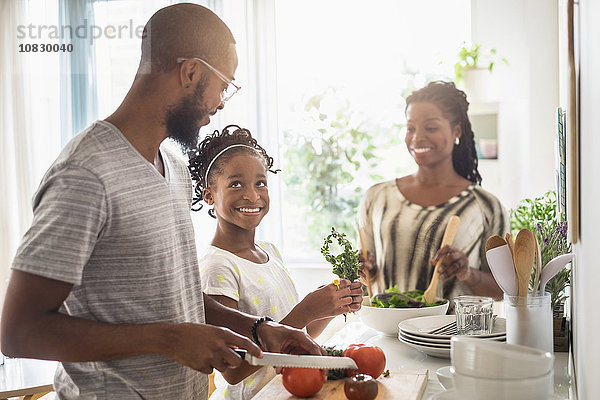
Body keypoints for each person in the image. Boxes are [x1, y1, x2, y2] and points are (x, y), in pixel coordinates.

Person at [0, 4, 323, 399]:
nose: (222, 103)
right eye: (224, 86)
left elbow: (181, 296)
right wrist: (167, 338)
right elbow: (19, 333)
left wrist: (256, 328)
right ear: (190, 73)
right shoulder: (85, 174)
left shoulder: (173, 165)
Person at [188, 125, 363, 399]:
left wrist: (328, 308)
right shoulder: (217, 266)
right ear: (209, 195)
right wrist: (304, 310)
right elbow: (232, 370)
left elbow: (295, 337)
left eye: (260, 183)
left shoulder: (269, 251)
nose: (253, 195)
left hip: (285, 391)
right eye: (236, 184)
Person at [358, 81, 508, 303]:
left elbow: (503, 290)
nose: (417, 137)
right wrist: (363, 271)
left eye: (431, 127)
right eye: (410, 128)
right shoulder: (378, 197)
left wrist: (467, 273)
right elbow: (366, 281)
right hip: (388, 333)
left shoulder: (485, 206)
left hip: (451, 336)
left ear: (456, 130)